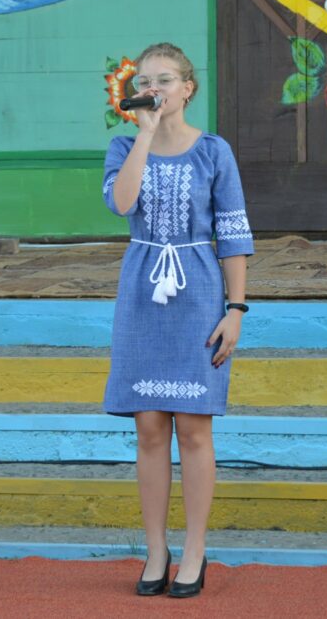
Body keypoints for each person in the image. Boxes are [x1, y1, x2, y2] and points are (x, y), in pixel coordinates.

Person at [101, 42, 253, 599]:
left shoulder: (214, 151)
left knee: (193, 426)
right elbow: (121, 204)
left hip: (198, 293)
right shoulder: (123, 146)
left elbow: (233, 234)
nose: (153, 88)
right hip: (142, 293)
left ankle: (194, 549)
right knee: (148, 427)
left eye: (164, 79)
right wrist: (145, 134)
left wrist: (236, 309)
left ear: (188, 88)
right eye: (144, 80)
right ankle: (155, 549)